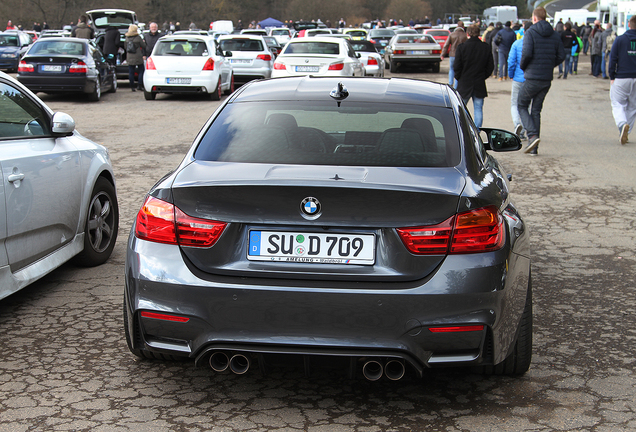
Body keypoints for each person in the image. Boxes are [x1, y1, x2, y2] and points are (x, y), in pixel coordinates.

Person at [518, 6, 565, 155]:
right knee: (536, 110)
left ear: (534, 18)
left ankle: (532, 136)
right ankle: (534, 147)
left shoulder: (531, 32)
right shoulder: (555, 34)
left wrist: (523, 67)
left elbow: (526, 54)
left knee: (521, 104)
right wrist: (550, 65)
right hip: (546, 78)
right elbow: (561, 55)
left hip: (532, 76)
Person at [453, 25, 494, 128]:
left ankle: (461, 129)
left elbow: (457, 66)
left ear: (468, 34)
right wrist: (483, 76)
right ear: (479, 33)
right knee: (478, 109)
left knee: (460, 109)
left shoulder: (462, 47)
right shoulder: (485, 47)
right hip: (479, 82)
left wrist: (459, 77)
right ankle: (477, 131)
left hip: (465, 82)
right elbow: (490, 66)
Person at [608, 15, 636, 145]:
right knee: (633, 106)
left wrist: (612, 75)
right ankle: (626, 131)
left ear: (629, 25)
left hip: (622, 76)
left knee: (617, 103)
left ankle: (622, 125)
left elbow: (613, 58)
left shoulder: (620, 40)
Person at [509, 21, 532, 139]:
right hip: (529, 79)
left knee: (514, 103)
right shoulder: (535, 45)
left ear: (523, 31)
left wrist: (510, 74)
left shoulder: (517, 44)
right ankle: (523, 128)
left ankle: (517, 123)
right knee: (526, 105)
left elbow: (511, 61)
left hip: (517, 78)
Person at [441, 21, 467, 88]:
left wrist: (442, 54)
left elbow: (446, 45)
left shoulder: (452, 34)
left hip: (452, 55)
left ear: (457, 26)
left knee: (451, 69)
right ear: (463, 27)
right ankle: (456, 86)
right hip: (461, 56)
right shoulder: (465, 35)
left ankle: (450, 83)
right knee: (459, 70)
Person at [124, 24, 146, 91]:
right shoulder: (138, 38)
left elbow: (125, 47)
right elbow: (144, 46)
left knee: (131, 72)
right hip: (138, 55)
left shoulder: (126, 38)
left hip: (130, 56)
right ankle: (139, 85)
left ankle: (132, 86)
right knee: (141, 70)